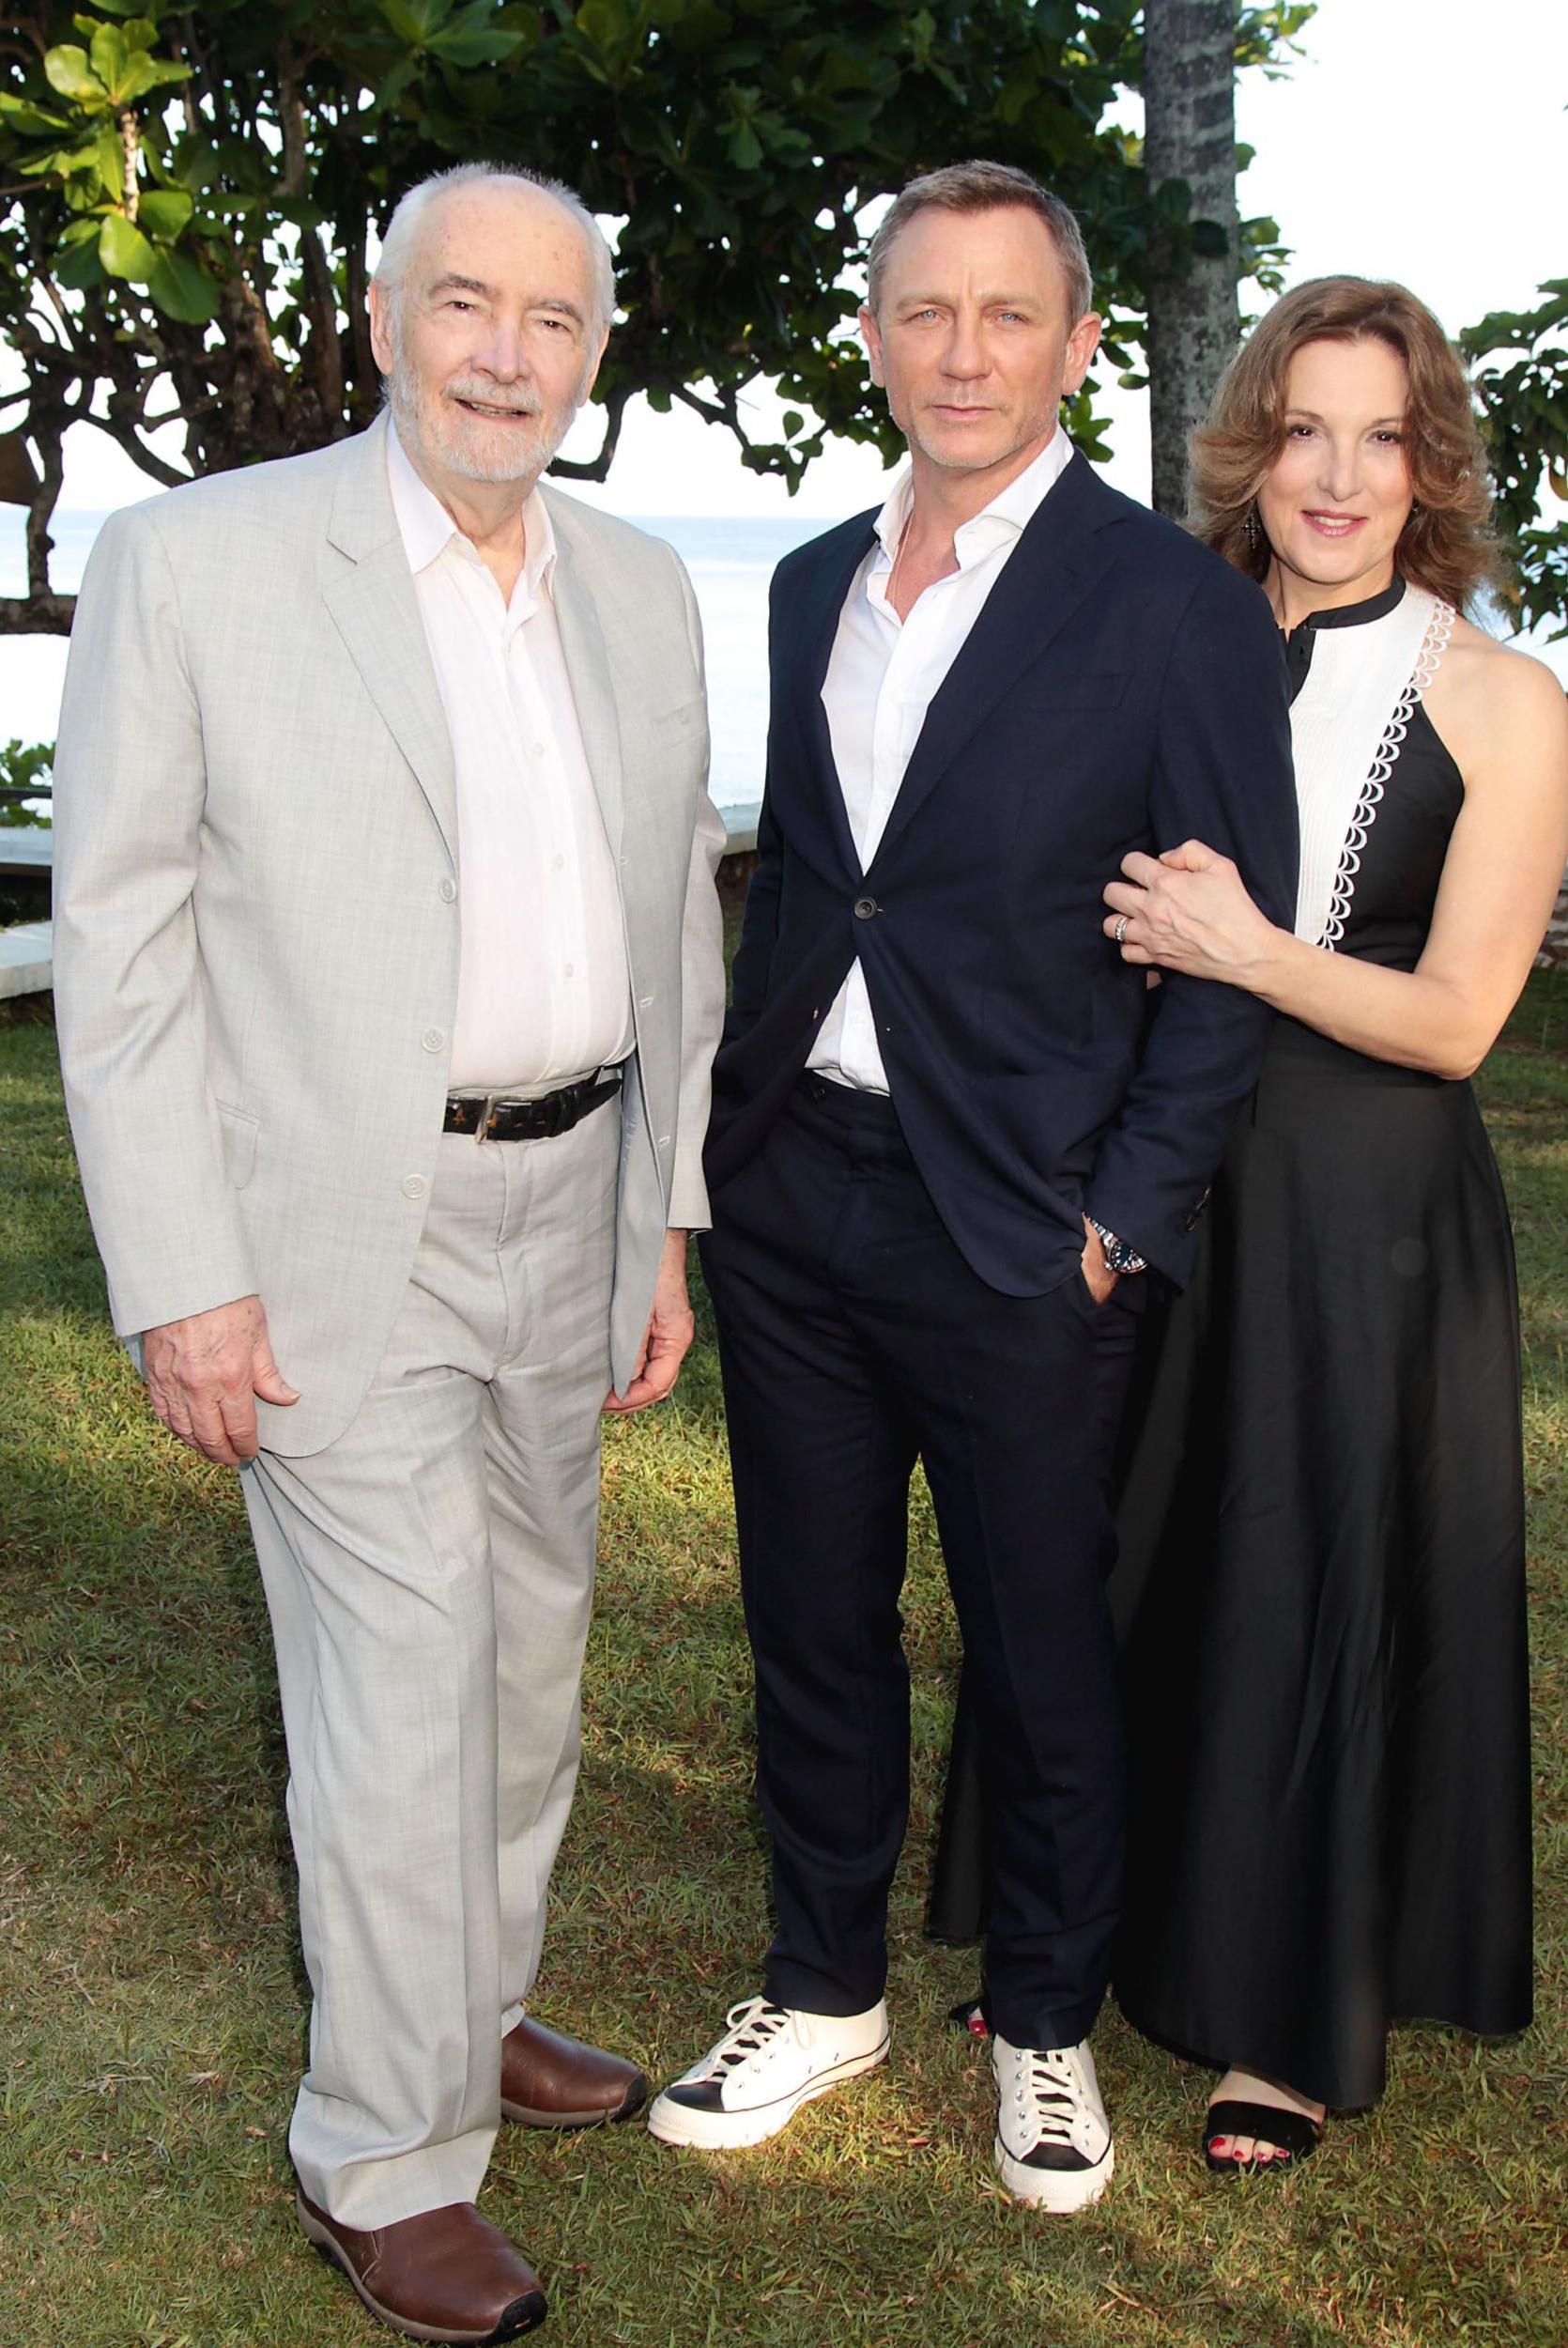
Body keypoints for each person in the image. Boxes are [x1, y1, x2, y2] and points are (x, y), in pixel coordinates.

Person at [52, 164, 725, 2341]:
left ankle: (474, 2010)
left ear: (593, 352)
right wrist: (181, 1272)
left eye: (550, 318)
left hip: (578, 1198)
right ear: (380, 318)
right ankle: (387, 2143)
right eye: (463, 303)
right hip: (340, 1226)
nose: (503, 353)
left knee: (531, 1654)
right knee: (402, 1682)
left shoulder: (634, 586)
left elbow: (672, 929)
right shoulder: (192, 560)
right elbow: (122, 943)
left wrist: (666, 1217)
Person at [643, 161, 1298, 2212]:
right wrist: (724, 1150)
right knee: (811, 1617)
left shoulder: (1170, 605)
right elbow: (825, 886)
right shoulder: (808, 575)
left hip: (1025, 1220)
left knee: (1037, 1646)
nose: (962, 351)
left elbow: (1224, 951)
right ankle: (823, 1982)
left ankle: (1040, 2025)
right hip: (800, 1193)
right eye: (923, 311)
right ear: (872, 334)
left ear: (1079, 343)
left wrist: (1121, 1215)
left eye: (1006, 314)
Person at [932, 275, 1568, 2174]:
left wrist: (1247, 950)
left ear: (1429, 462)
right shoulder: (1154, 631)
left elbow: (1458, 1021)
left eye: (1381, 435)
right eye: (1304, 427)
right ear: (1250, 441)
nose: (1338, 473)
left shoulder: (1505, 700)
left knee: (1301, 1583)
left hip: (1357, 1211)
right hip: (1137, 1158)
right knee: (1099, 1549)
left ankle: (1285, 2012)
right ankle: (1071, 1923)